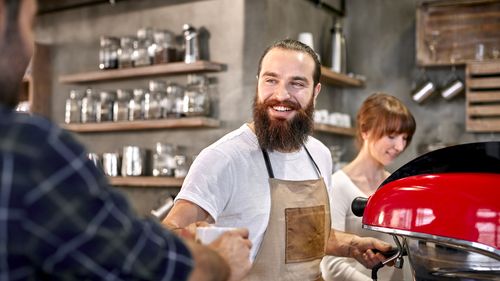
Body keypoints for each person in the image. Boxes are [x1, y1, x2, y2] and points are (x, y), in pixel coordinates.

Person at [0, 0, 251, 280]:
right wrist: (220, 259)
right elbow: (144, 266)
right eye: (30, 24)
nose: (29, 47)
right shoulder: (29, 150)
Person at [163, 39, 394, 280]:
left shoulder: (319, 155)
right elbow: (167, 235)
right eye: (271, 80)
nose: (281, 94)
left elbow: (307, 238)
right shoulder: (224, 158)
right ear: (258, 83)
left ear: (315, 92)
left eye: (296, 83)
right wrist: (208, 252)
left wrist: (351, 246)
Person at [320, 93, 416, 281]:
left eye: (405, 138)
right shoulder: (337, 186)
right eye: (392, 136)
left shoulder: (396, 187)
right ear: (365, 131)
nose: (399, 146)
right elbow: (331, 267)